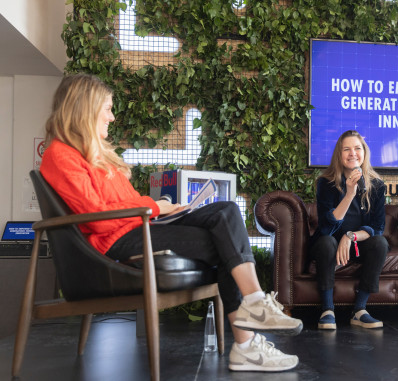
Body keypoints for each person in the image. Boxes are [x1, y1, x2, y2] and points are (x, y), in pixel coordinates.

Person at [39, 74, 302, 372]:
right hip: (115, 242)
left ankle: (253, 306)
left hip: (138, 228)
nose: (112, 117)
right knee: (225, 242)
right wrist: (154, 207)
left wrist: (163, 210)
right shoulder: (60, 155)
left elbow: (123, 203)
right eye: (108, 109)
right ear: (85, 108)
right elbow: (97, 215)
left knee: (226, 212)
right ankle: (247, 344)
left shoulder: (97, 154)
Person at [309, 130, 389, 330]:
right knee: (326, 242)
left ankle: (359, 310)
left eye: (357, 148)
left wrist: (350, 236)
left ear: (364, 153)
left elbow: (378, 227)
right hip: (330, 244)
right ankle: (327, 310)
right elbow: (326, 227)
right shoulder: (326, 183)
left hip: (356, 244)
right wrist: (350, 194)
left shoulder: (377, 185)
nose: (353, 153)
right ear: (339, 154)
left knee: (380, 243)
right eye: (347, 149)